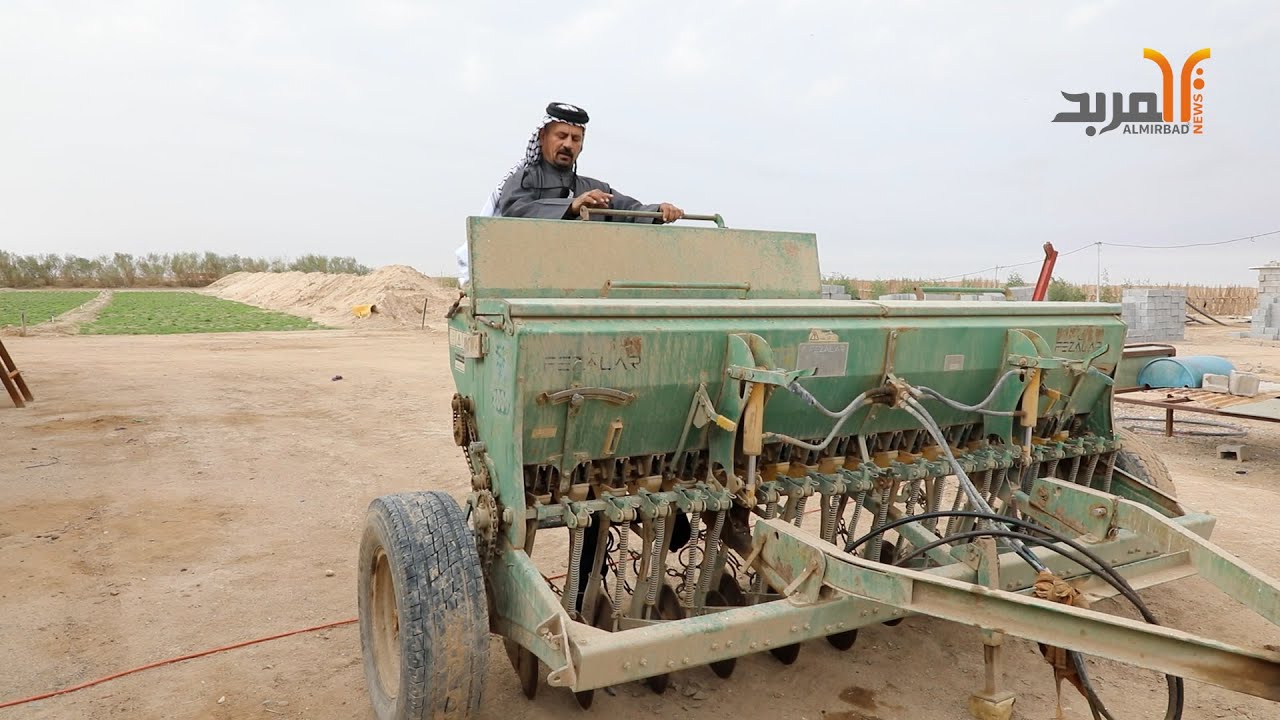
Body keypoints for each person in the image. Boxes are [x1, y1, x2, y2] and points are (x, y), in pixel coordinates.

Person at [459, 102, 685, 285]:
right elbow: (517, 212)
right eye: (561, 136)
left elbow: (628, 210)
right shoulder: (522, 180)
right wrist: (571, 207)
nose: (568, 144)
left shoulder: (594, 189)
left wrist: (658, 211)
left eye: (575, 139)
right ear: (543, 137)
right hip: (527, 287)